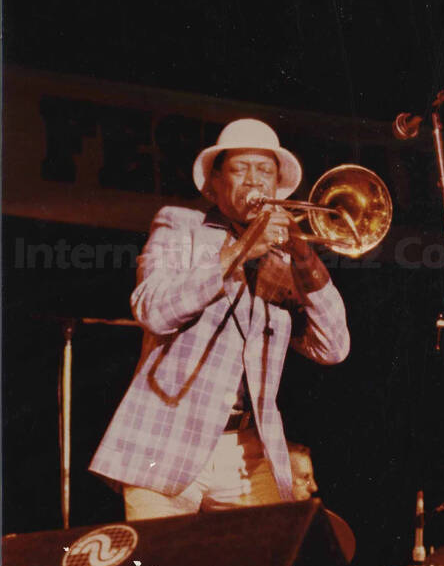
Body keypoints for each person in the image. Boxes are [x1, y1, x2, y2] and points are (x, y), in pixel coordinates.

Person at [90, 118, 350, 520]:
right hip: (165, 436)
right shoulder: (180, 227)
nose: (254, 180)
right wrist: (239, 252)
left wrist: (303, 256)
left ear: (279, 186)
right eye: (240, 168)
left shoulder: (282, 260)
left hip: (249, 447)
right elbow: (152, 309)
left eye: (265, 170)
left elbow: (333, 348)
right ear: (214, 182)